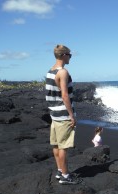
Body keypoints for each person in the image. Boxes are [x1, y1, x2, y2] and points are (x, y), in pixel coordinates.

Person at [45, 44, 81, 185]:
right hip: (63, 114)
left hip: (54, 114)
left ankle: (60, 171)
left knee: (56, 145)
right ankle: (65, 176)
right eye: (70, 55)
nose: (70, 57)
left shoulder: (50, 71)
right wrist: (71, 115)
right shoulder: (63, 72)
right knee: (63, 147)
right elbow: (65, 95)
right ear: (64, 55)